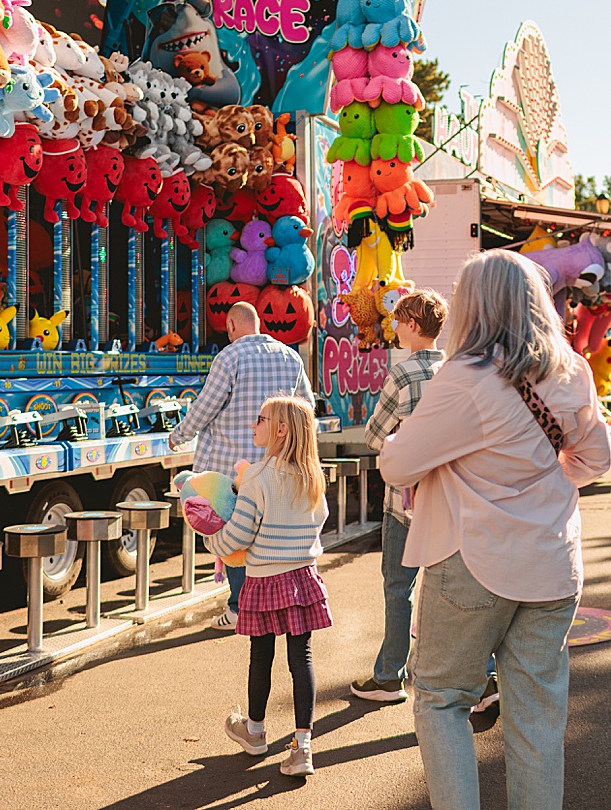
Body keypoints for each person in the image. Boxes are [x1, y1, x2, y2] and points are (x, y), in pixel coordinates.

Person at [377, 249, 611, 810]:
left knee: (442, 699)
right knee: (536, 717)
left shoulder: (466, 377)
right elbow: (595, 460)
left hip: (473, 559)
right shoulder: (571, 370)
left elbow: (397, 466)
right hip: (552, 561)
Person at [194, 395, 331, 777]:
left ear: (281, 429)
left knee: (261, 655)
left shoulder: (257, 476)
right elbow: (319, 520)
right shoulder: (312, 476)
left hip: (264, 578)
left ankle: (254, 732)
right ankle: (302, 747)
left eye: (261, 419)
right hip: (303, 576)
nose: (255, 425)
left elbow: (239, 533)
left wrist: (212, 542)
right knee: (301, 658)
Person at [169, 302, 314, 631]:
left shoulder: (229, 357)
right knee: (266, 538)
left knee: (235, 538)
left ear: (231, 326)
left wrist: (179, 435)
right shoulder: (290, 357)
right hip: (276, 464)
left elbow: (205, 407)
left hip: (232, 469)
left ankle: (239, 607)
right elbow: (306, 406)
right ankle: (268, 606)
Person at [350, 290, 448, 705]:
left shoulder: (404, 374)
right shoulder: (454, 371)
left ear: (412, 325)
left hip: (404, 499)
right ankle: (478, 676)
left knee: (398, 587)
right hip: (449, 497)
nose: (393, 326)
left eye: (398, 320)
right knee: (453, 588)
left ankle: (390, 676)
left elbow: (374, 435)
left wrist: (399, 437)